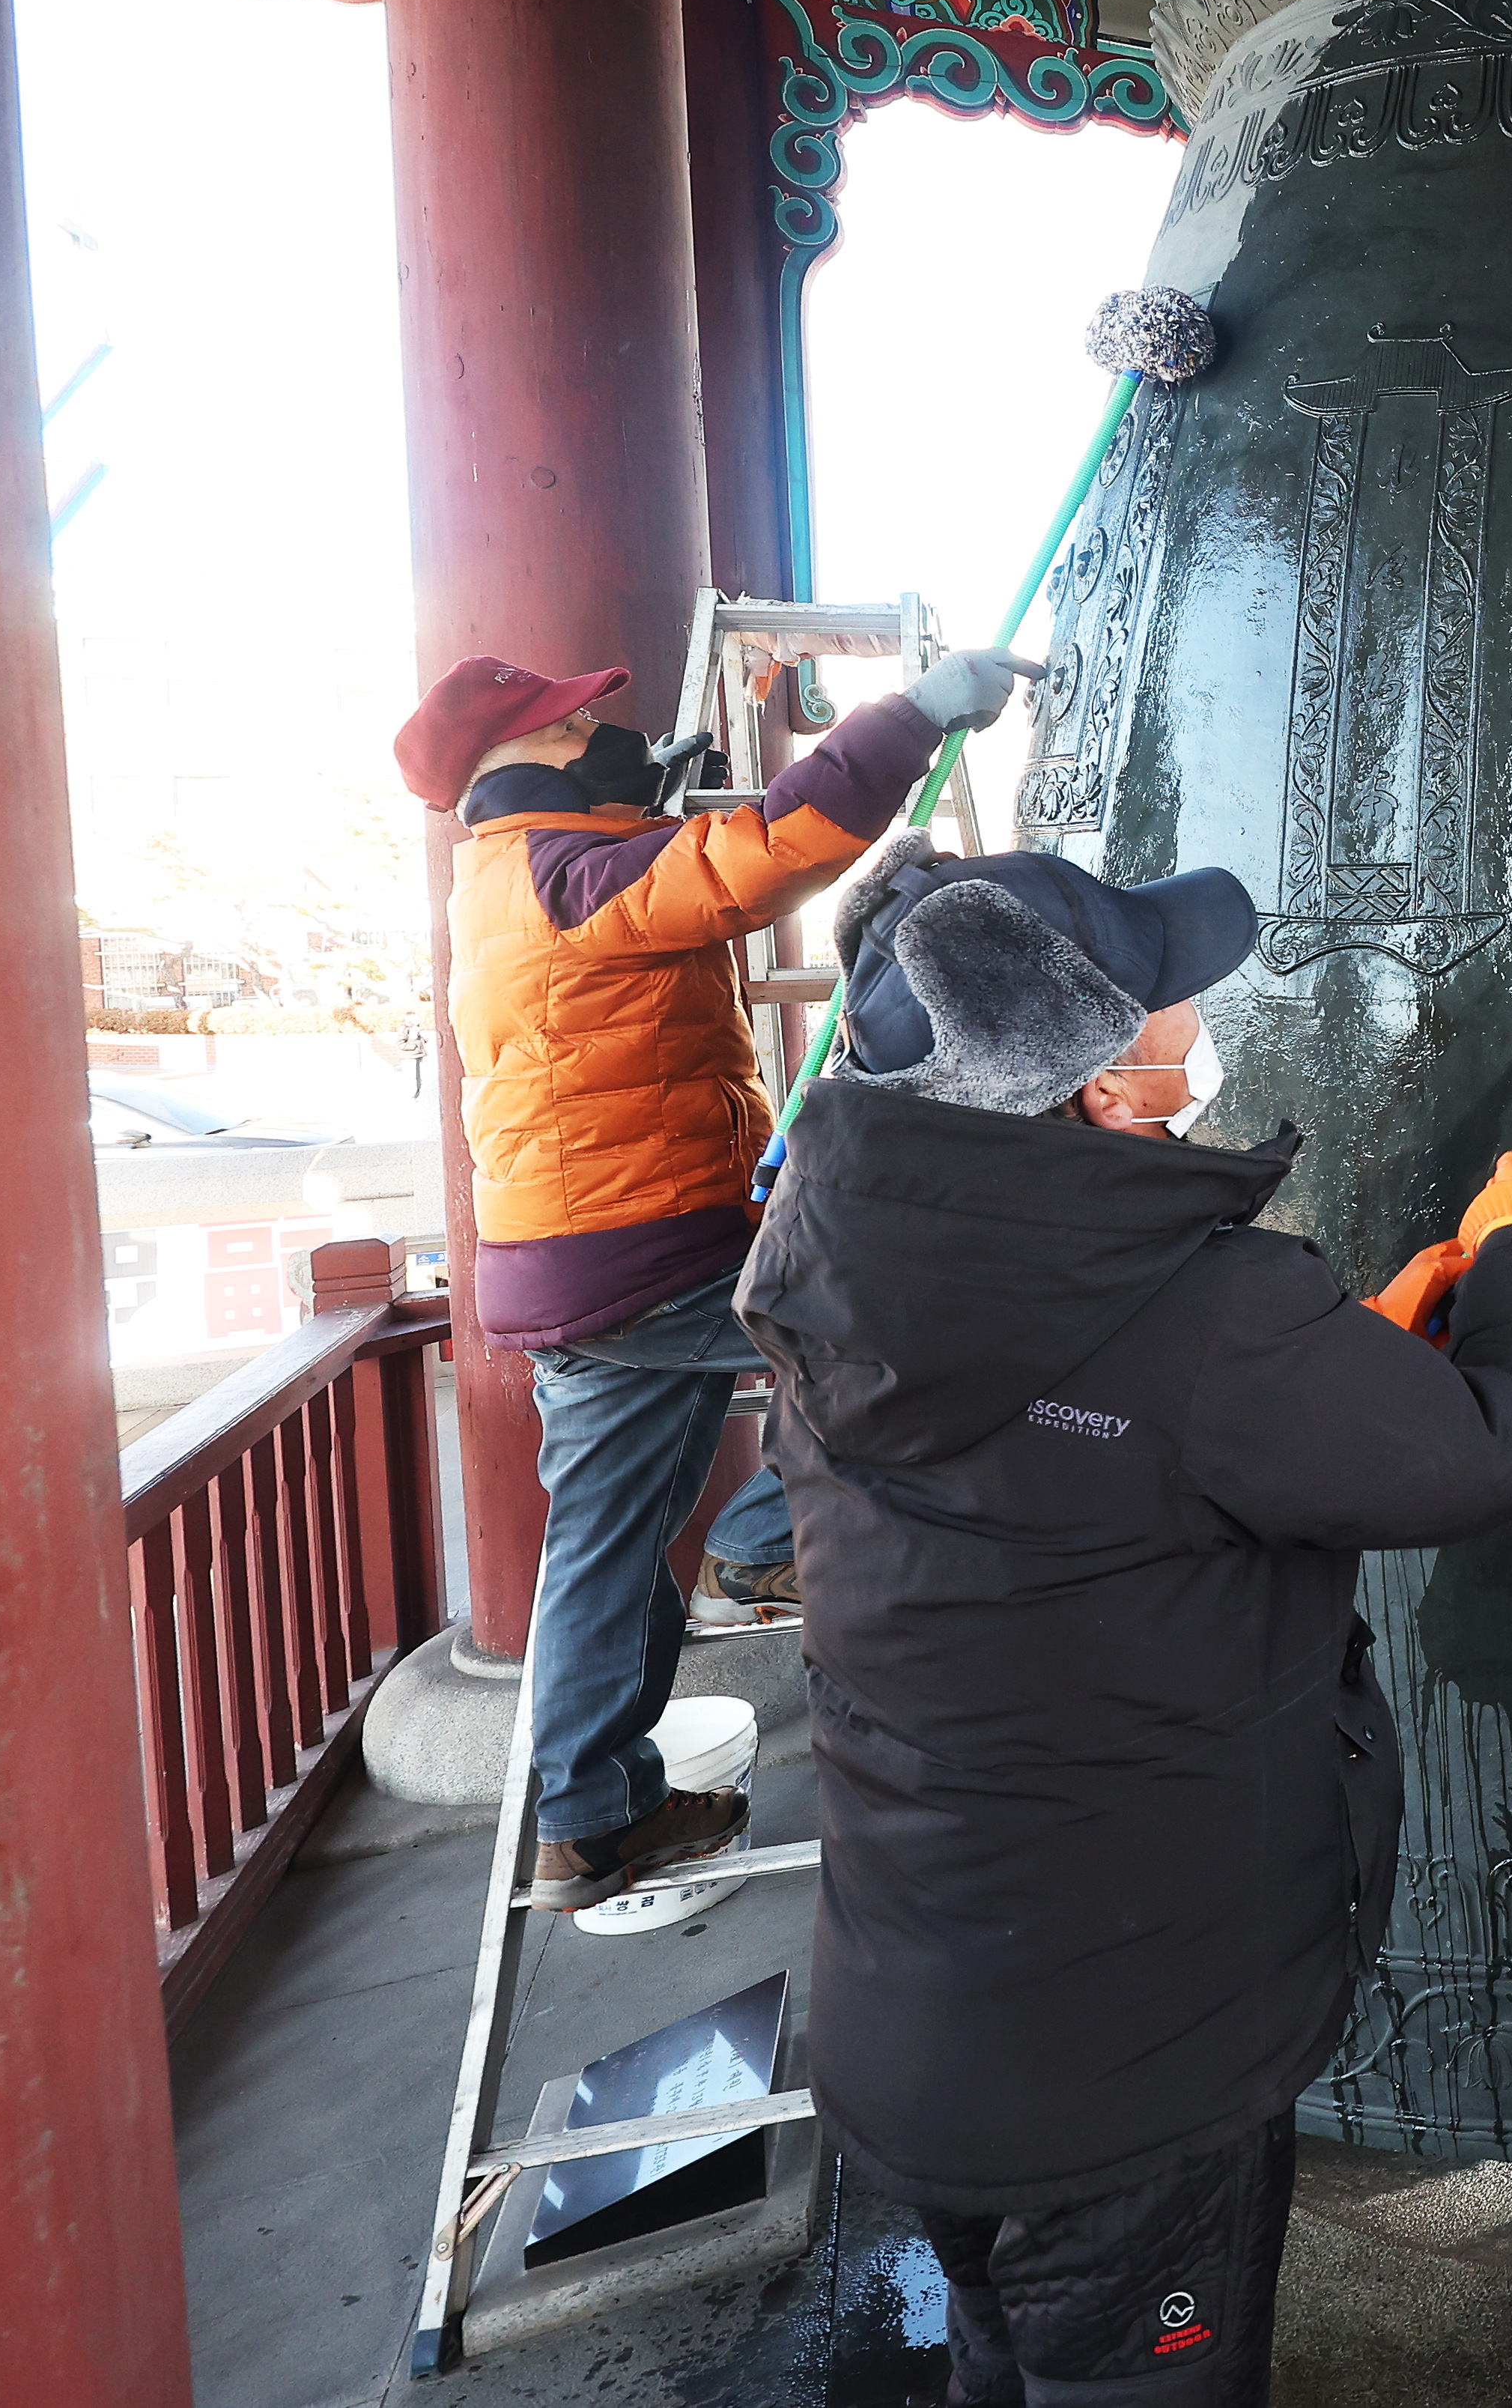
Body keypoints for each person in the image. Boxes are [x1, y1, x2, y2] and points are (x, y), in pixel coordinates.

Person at [739, 840, 1512, 2408]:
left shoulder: (827, 1262)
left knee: (1004, 2367)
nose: (1193, 1018)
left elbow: (1102, 1453)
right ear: (1093, 1086)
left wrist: (1338, 1366)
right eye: (1162, 1003)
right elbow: (1495, 1446)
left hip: (918, 2028)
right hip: (1124, 2077)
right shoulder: (1212, 1321)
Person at [392, 643, 1037, 1911]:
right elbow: (763, 857)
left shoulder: (517, 873)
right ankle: (757, 1548)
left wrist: (655, 811)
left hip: (587, 1256)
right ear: (521, 763)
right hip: (640, 1251)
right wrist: (909, 717)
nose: (604, 740)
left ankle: (590, 1814)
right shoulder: (570, 871)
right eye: (580, 734)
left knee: (608, 1548)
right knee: (892, 1327)